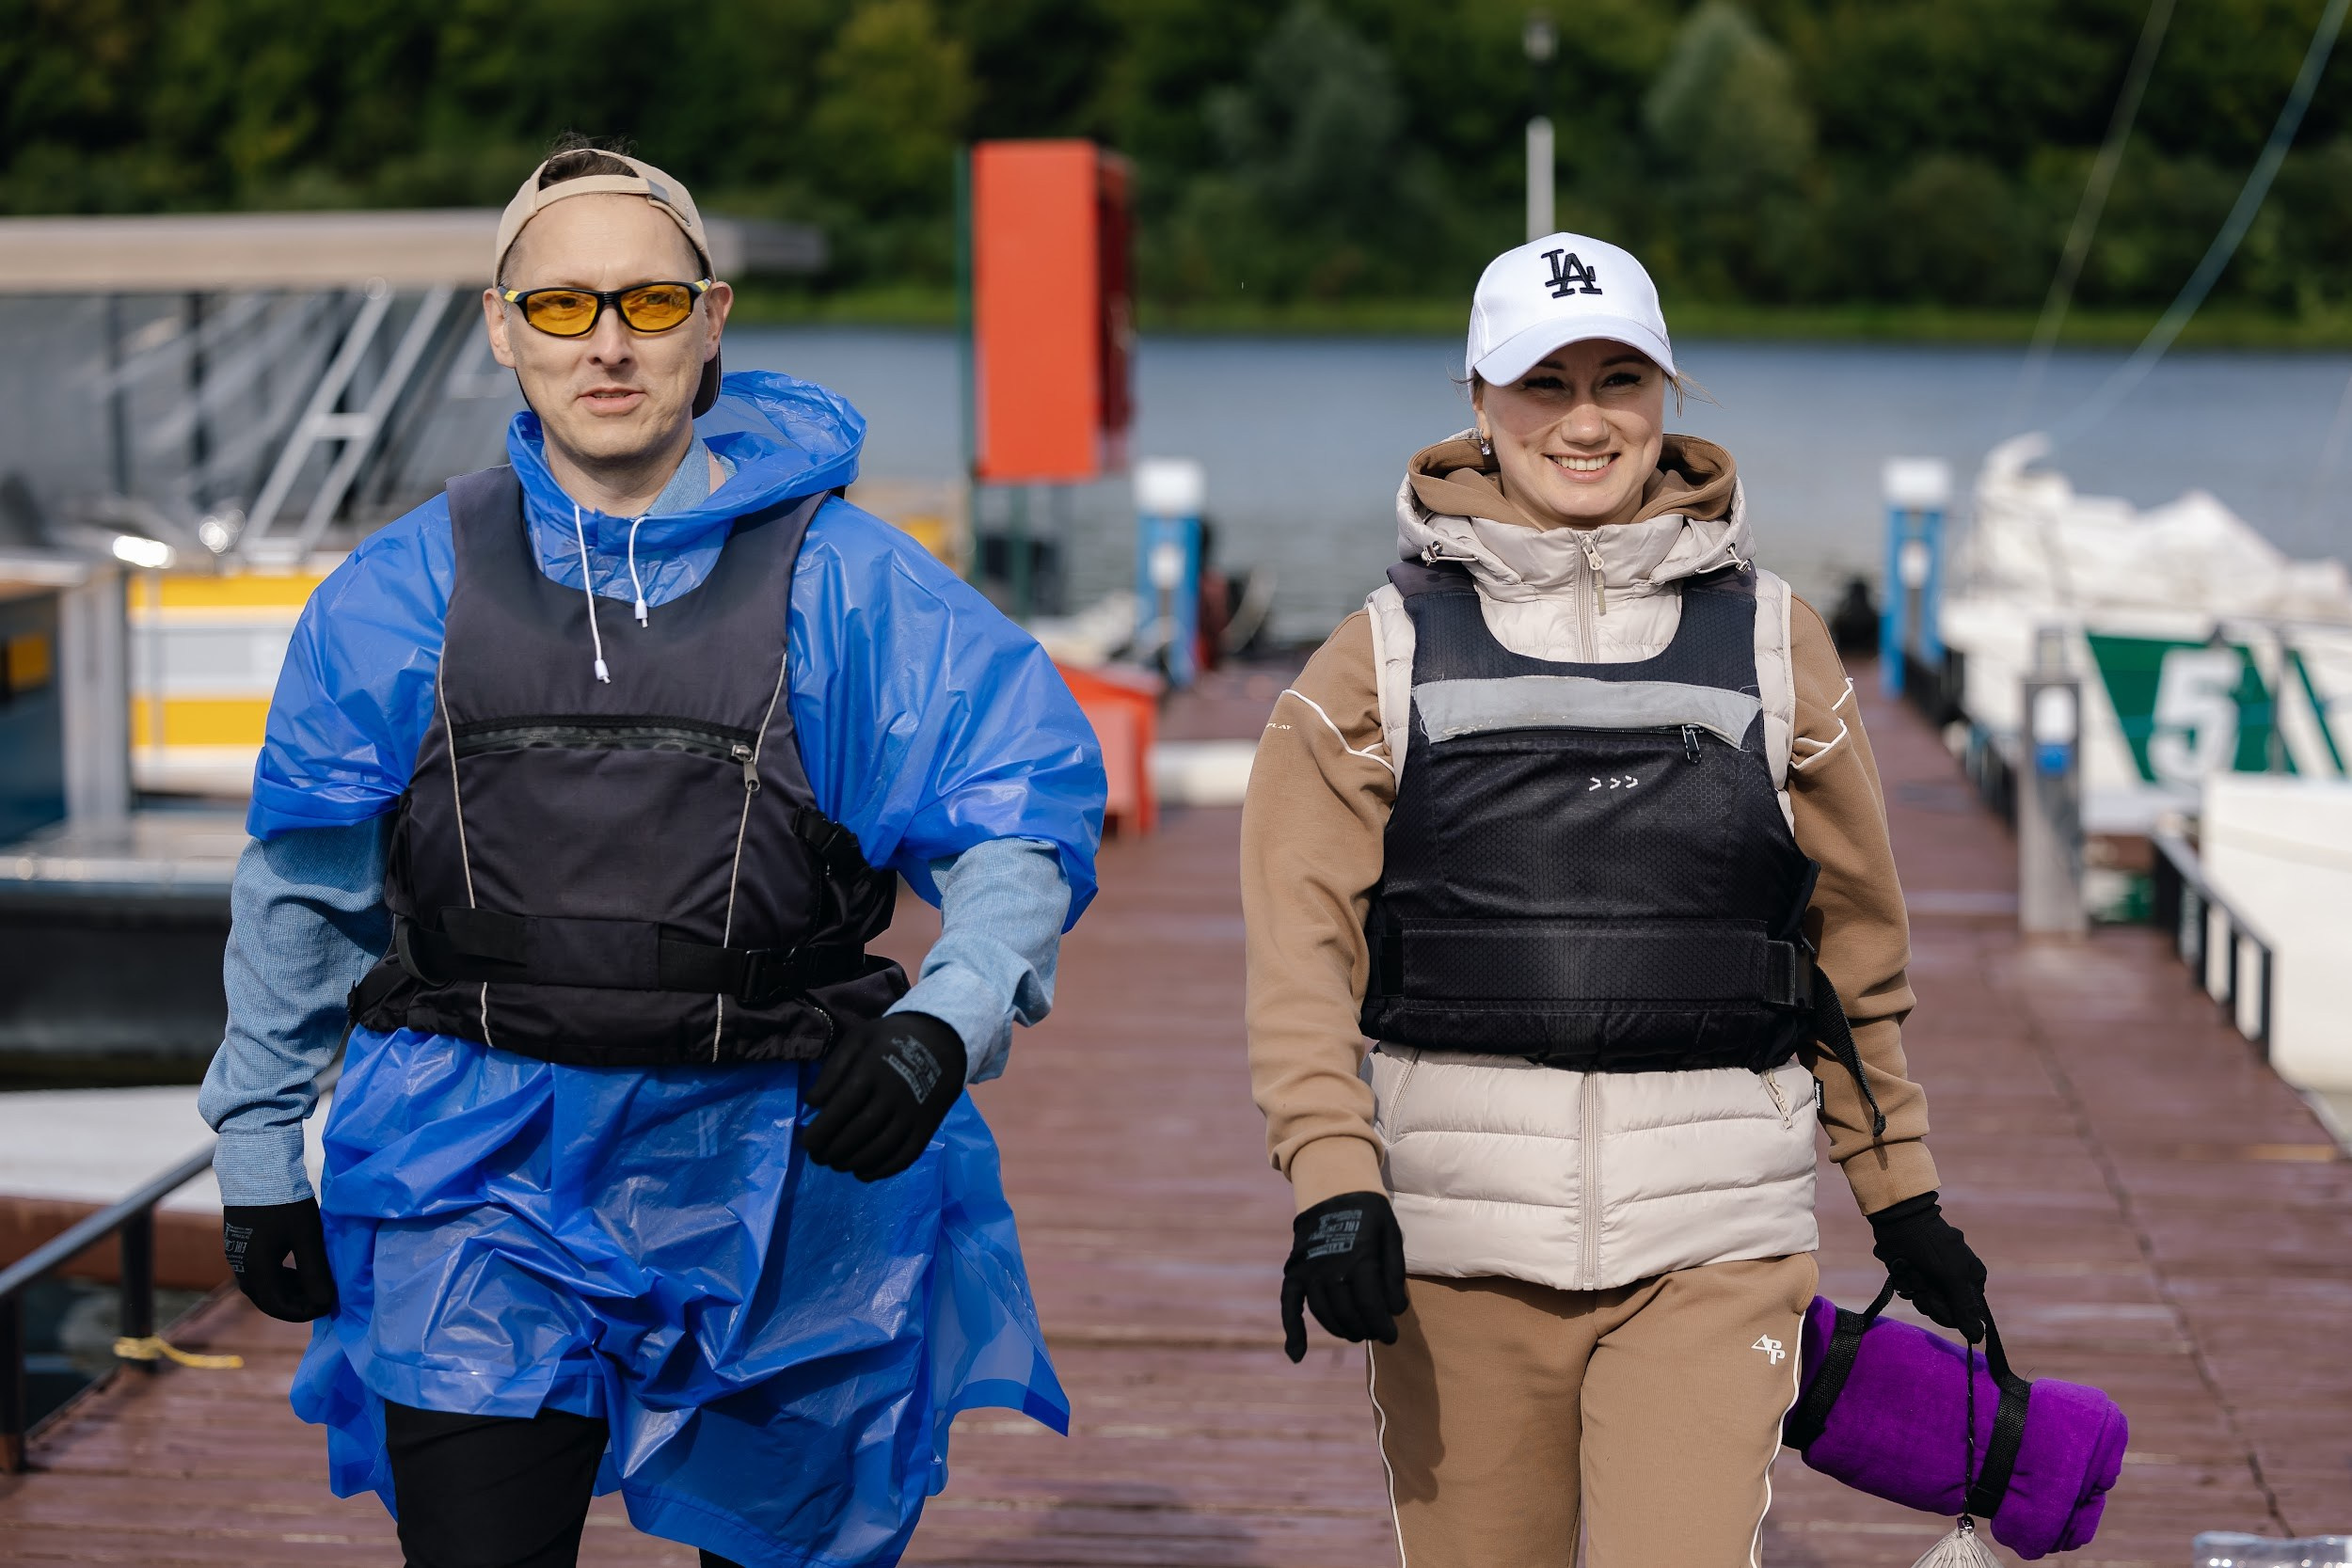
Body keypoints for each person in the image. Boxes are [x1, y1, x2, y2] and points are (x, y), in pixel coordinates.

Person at [199, 137, 1104, 1568]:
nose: (607, 344)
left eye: (649, 303)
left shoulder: (850, 586)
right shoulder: (396, 598)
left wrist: (948, 1019)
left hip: (780, 1180)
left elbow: (1012, 817)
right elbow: (305, 887)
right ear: (502, 327)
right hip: (469, 1181)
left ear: (714, 318)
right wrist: (257, 1148)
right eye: (561, 308)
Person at [1240, 232, 1989, 1565]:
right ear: (1479, 400)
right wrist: (1333, 1185)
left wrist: (1901, 1194)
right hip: (1456, 1249)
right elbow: (1299, 953)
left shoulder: (1777, 641)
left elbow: (1851, 946)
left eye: (1619, 380)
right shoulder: (1378, 653)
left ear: (1666, 398)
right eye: (1544, 383)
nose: (1584, 421)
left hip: (1717, 1244)